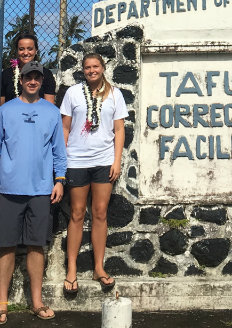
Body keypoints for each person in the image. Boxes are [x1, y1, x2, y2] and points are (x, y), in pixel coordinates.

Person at [0, 61, 66, 324]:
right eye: (28, 77)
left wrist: (59, 179)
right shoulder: (6, 111)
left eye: (37, 78)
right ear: (20, 80)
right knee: (6, 246)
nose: (32, 81)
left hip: (41, 190)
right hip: (8, 189)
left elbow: (58, 150)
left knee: (36, 246)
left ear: (42, 81)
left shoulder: (51, 112)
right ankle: (1, 303)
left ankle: (37, 301)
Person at [61, 53, 127, 293]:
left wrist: (117, 161)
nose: (91, 71)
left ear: (103, 67)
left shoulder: (115, 94)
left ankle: (99, 267)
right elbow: (65, 128)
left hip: (104, 161)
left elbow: (119, 130)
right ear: (83, 70)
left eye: (95, 66)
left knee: (100, 212)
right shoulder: (73, 93)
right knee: (77, 212)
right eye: (87, 67)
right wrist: (61, 162)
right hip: (77, 160)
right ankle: (71, 270)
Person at [0, 31, 57, 104]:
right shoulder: (6, 74)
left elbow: (49, 105)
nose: (26, 53)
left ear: (36, 50)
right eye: (21, 49)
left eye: (30, 49)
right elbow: (1, 105)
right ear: (17, 51)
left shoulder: (46, 74)